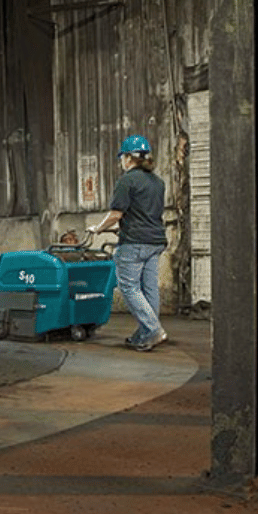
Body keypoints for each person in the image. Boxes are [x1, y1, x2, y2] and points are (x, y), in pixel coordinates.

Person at [87, 134, 168, 352]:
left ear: (128, 158)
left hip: (134, 243)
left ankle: (153, 329)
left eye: (122, 157)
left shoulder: (127, 180)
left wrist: (99, 228)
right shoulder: (158, 183)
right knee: (150, 288)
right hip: (156, 241)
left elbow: (116, 214)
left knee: (128, 287)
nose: (121, 161)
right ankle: (144, 334)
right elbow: (143, 216)